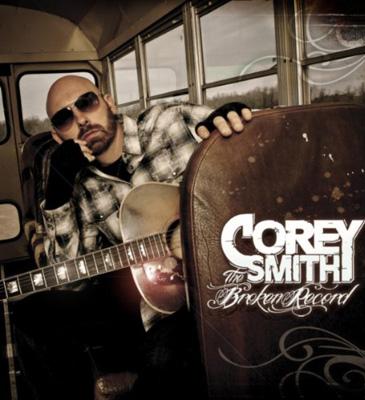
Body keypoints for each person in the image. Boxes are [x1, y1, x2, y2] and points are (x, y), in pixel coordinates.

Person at [13, 75, 252, 400]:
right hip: (155, 292)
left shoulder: (169, 122)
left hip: (225, 276)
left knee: (163, 357)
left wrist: (236, 125)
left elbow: (249, 142)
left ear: (108, 102)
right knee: (31, 315)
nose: (81, 119)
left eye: (86, 103)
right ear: (57, 136)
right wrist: (57, 195)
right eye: (64, 118)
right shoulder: (80, 185)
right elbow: (71, 282)